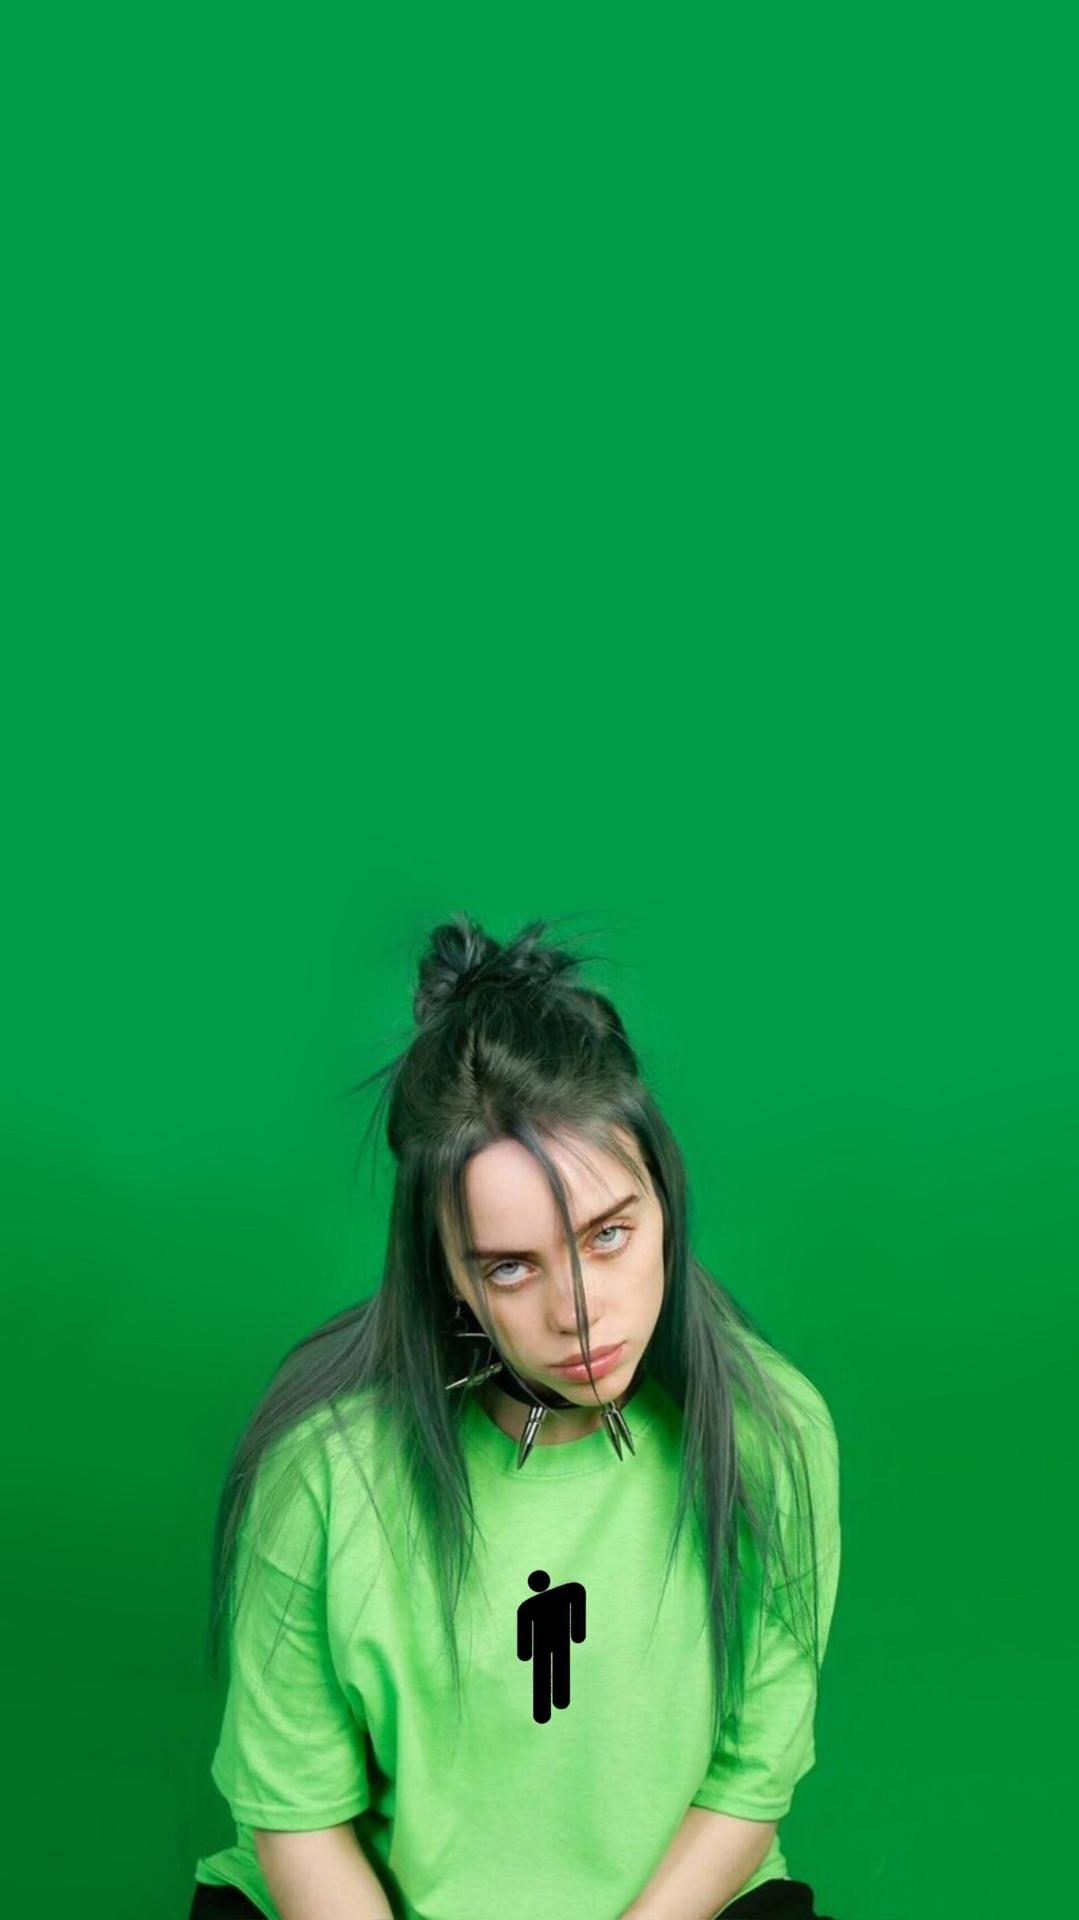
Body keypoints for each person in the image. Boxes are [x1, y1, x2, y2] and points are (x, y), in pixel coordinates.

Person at [188, 912, 843, 1920]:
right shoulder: (324, 1477)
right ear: (447, 1274)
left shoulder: (770, 1433)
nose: (576, 1311)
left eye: (609, 1235)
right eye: (508, 1267)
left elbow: (752, 1776)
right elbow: (298, 1818)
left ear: (665, 1205)